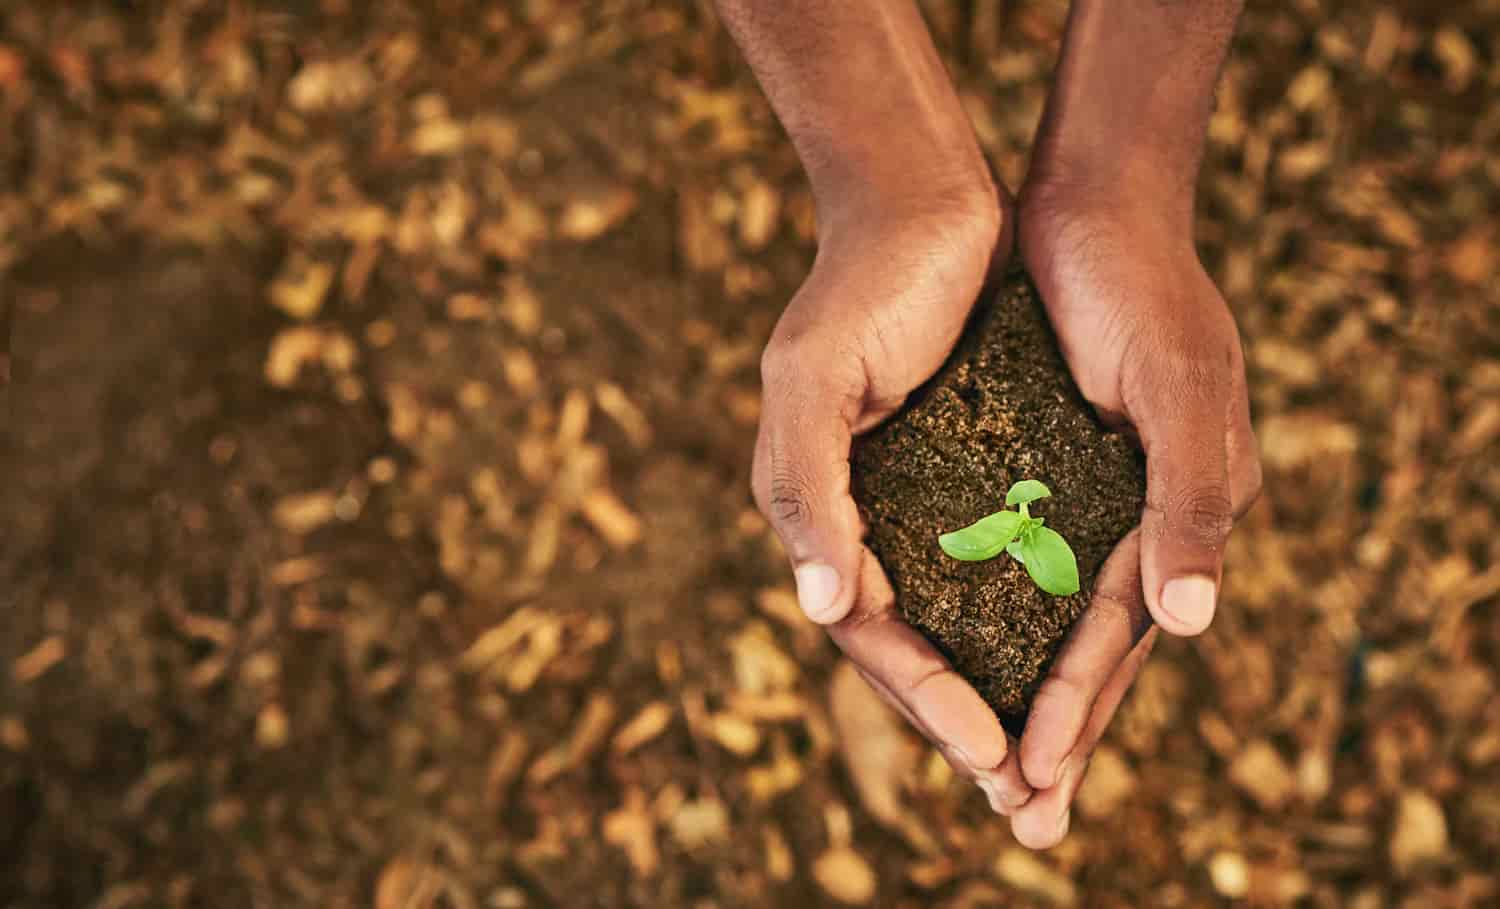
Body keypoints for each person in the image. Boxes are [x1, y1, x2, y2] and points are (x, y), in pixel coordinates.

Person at [716, 0, 1263, 849]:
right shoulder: (1009, 521)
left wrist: (1118, 185)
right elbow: (994, 542)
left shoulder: (1021, 519)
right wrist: (895, 188)